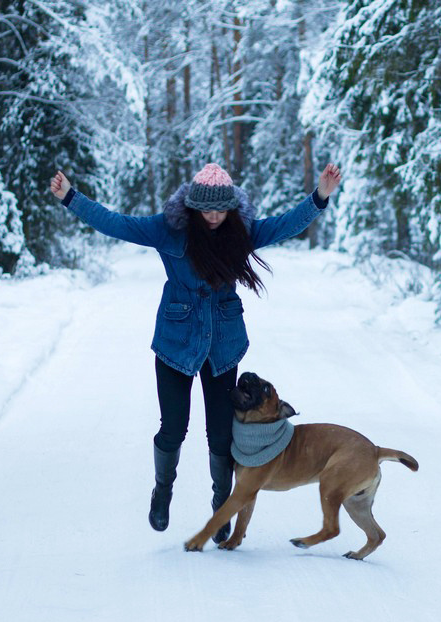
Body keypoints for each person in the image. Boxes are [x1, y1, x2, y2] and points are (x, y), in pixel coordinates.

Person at [49, 162, 342, 541]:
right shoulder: (168, 229)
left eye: (221, 209)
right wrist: (71, 197)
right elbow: (116, 223)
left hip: (223, 346)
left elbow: (285, 224)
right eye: (207, 209)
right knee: (173, 429)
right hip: (176, 344)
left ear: (231, 206)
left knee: (221, 434)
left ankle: (222, 507)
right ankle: (163, 491)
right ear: (192, 205)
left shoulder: (241, 232)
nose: (214, 216)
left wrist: (320, 196)